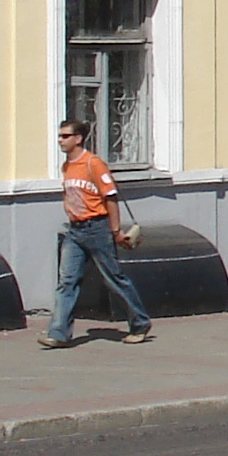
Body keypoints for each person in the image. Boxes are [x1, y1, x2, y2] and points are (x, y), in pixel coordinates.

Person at [41, 117, 149, 349]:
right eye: (59, 136)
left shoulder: (93, 164)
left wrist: (116, 231)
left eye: (65, 136)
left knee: (113, 278)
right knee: (67, 282)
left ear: (78, 138)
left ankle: (140, 323)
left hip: (97, 228)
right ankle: (59, 333)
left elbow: (110, 197)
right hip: (75, 230)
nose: (60, 140)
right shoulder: (67, 166)